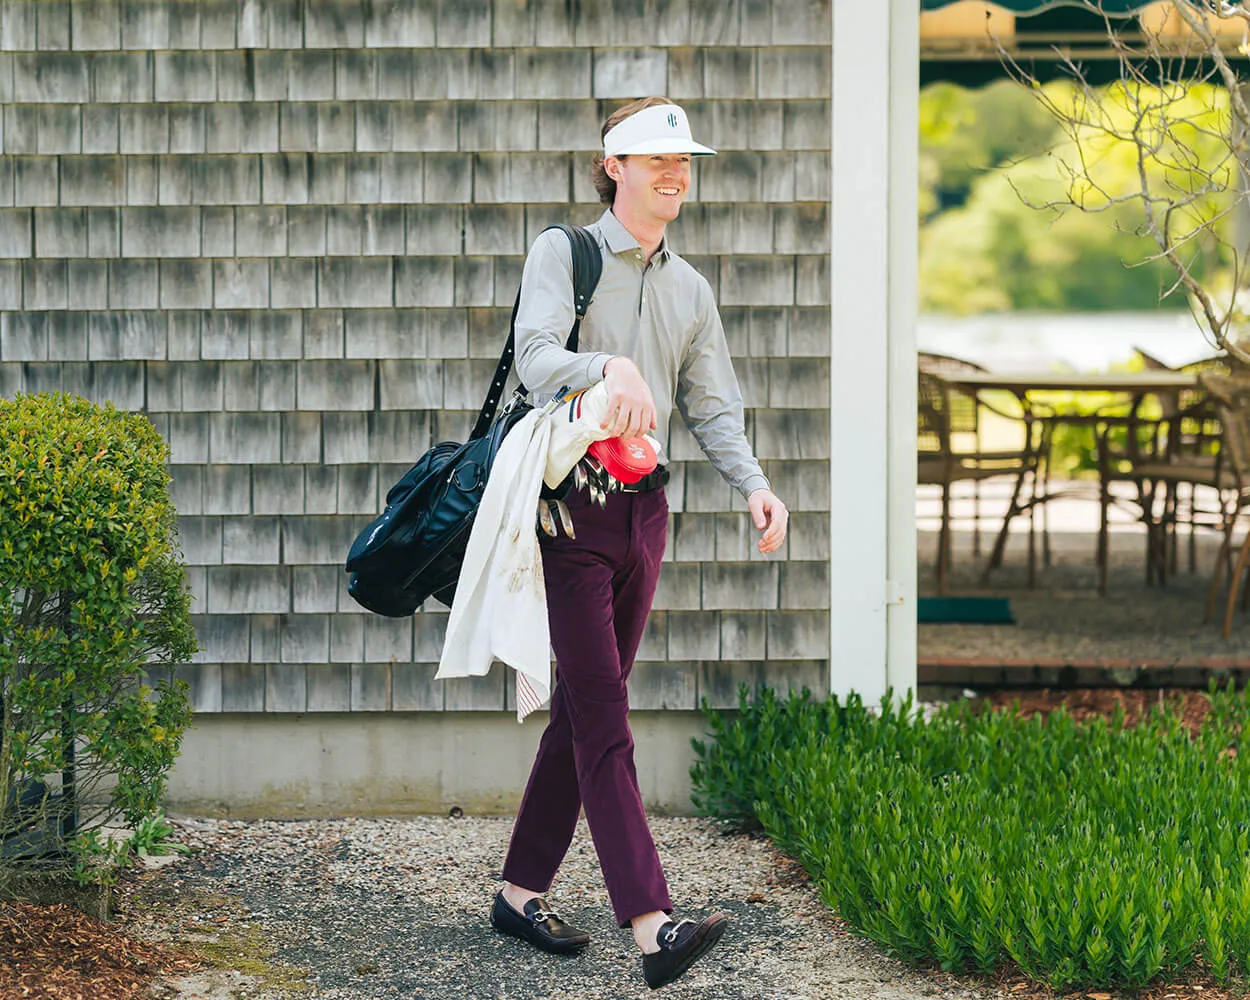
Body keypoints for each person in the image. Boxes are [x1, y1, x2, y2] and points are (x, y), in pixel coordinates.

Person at [489, 96, 790, 990]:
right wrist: (605, 367)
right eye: (656, 160)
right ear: (613, 166)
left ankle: (516, 893)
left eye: (684, 161)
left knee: (587, 707)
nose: (675, 173)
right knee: (606, 714)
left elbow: (713, 405)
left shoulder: (691, 289)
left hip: (644, 514)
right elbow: (536, 354)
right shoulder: (567, 254)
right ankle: (652, 925)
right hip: (568, 512)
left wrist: (756, 484)